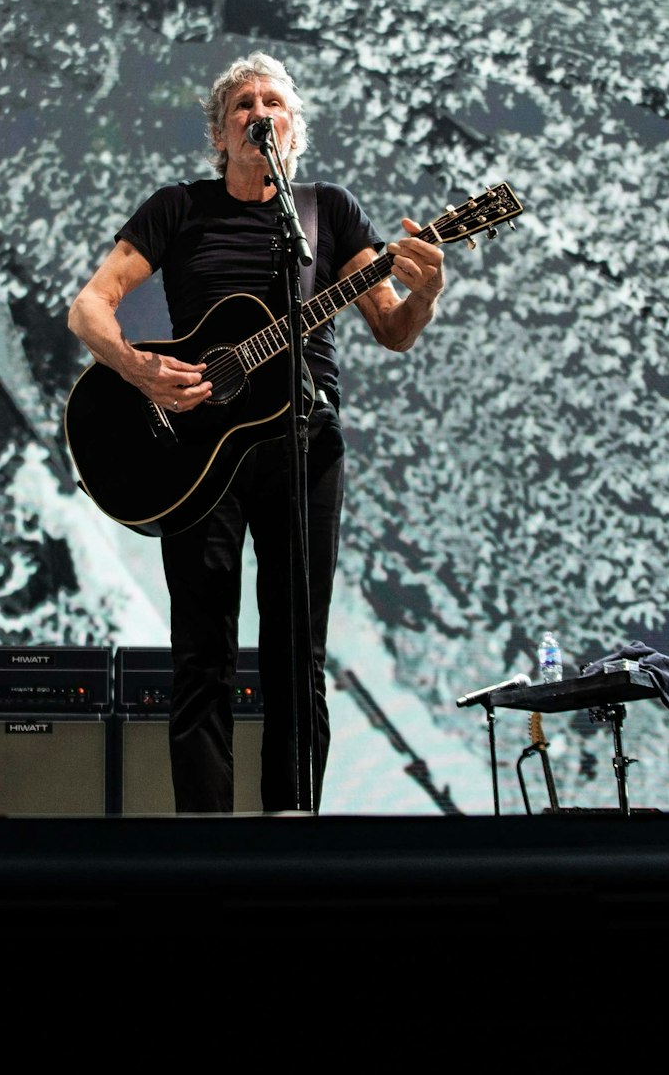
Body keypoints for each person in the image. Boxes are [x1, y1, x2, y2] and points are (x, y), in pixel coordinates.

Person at [67, 52, 448, 813]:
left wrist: (427, 293)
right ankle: (206, 844)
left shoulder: (327, 213)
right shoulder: (178, 208)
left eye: (273, 102)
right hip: (194, 450)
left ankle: (291, 834)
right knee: (202, 650)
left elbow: (393, 329)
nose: (258, 113)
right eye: (242, 104)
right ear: (219, 133)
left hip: (304, 445)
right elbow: (89, 307)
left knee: (296, 653)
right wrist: (142, 371)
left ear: (293, 129)